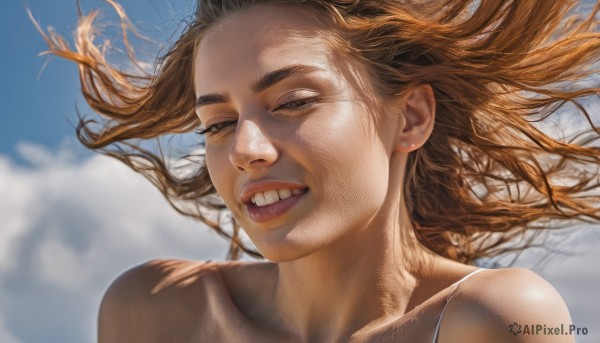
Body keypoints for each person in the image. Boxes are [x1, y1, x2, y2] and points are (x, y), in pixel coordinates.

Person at [33, 0, 600, 342]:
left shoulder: (499, 318)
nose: (245, 149)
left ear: (411, 116)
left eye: (292, 102)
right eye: (217, 123)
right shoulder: (151, 311)